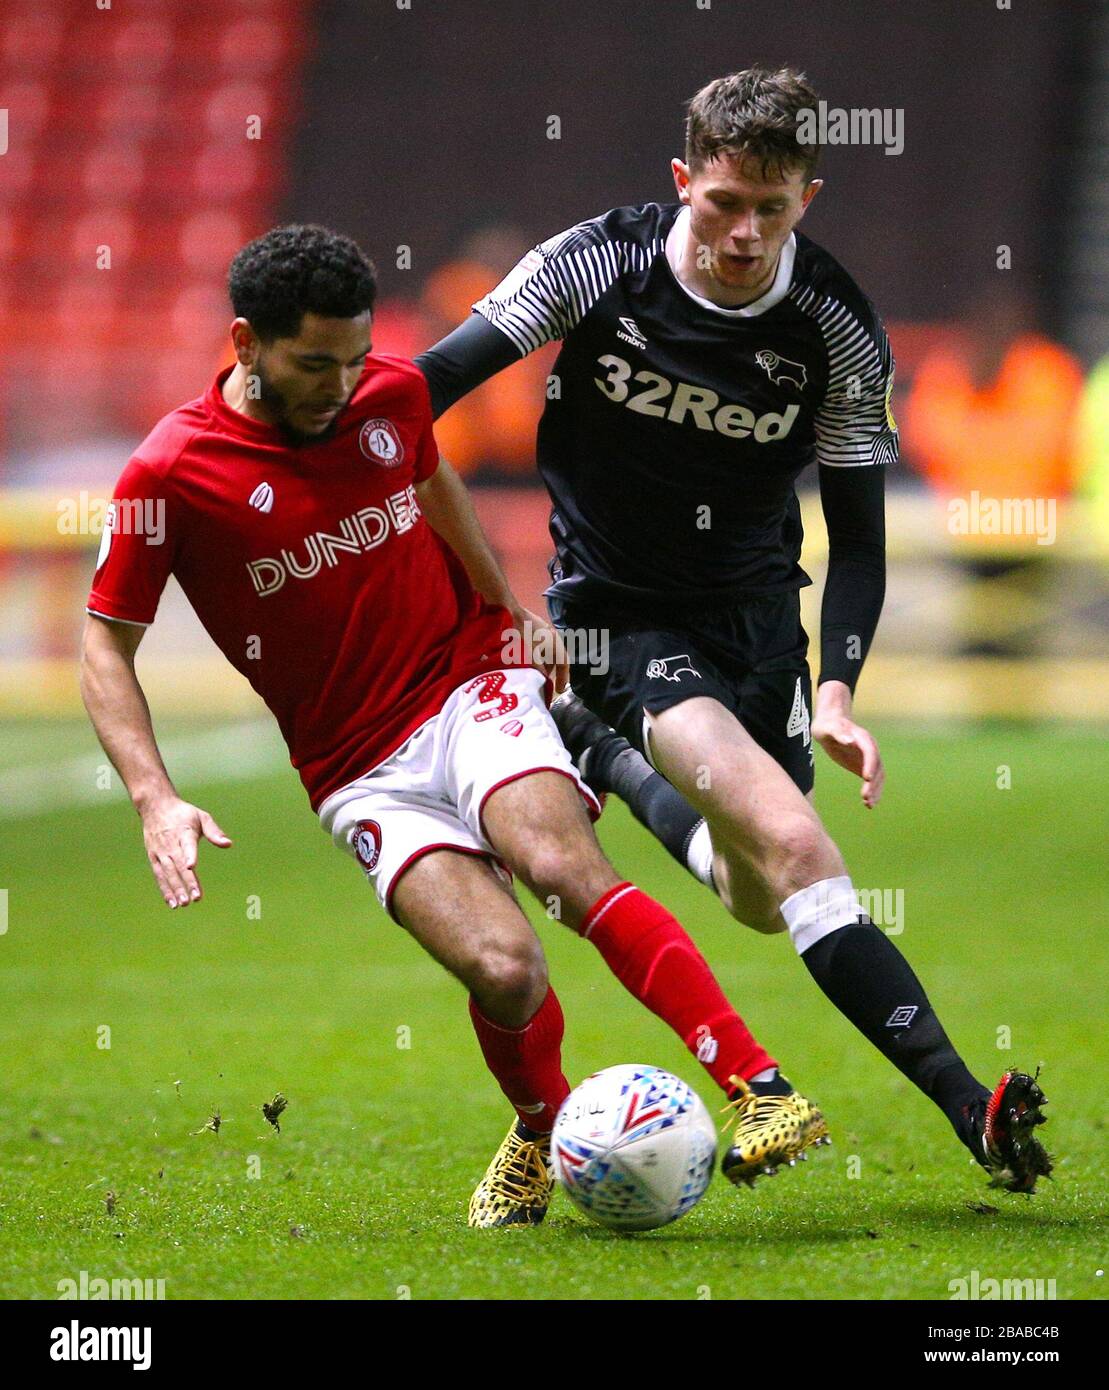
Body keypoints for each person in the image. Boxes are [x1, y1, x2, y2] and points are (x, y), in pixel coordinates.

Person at [79, 224, 831, 1232]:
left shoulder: (386, 396)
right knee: (504, 968)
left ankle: (759, 1085)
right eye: (314, 364)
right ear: (244, 342)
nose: (343, 385)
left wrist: (505, 606)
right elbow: (105, 647)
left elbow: (431, 479)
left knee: (560, 868)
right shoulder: (168, 474)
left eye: (352, 358)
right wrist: (153, 795)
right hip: (353, 765)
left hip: (465, 681)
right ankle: (539, 1128)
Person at [415, 68, 1052, 1192]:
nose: (744, 232)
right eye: (720, 204)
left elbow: (857, 542)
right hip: (614, 615)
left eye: (771, 207)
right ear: (681, 183)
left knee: (759, 893)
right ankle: (971, 1108)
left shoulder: (837, 331)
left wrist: (841, 688)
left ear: (807, 195)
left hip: (758, 625)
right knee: (801, 845)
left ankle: (608, 757)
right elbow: (429, 387)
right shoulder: (596, 260)